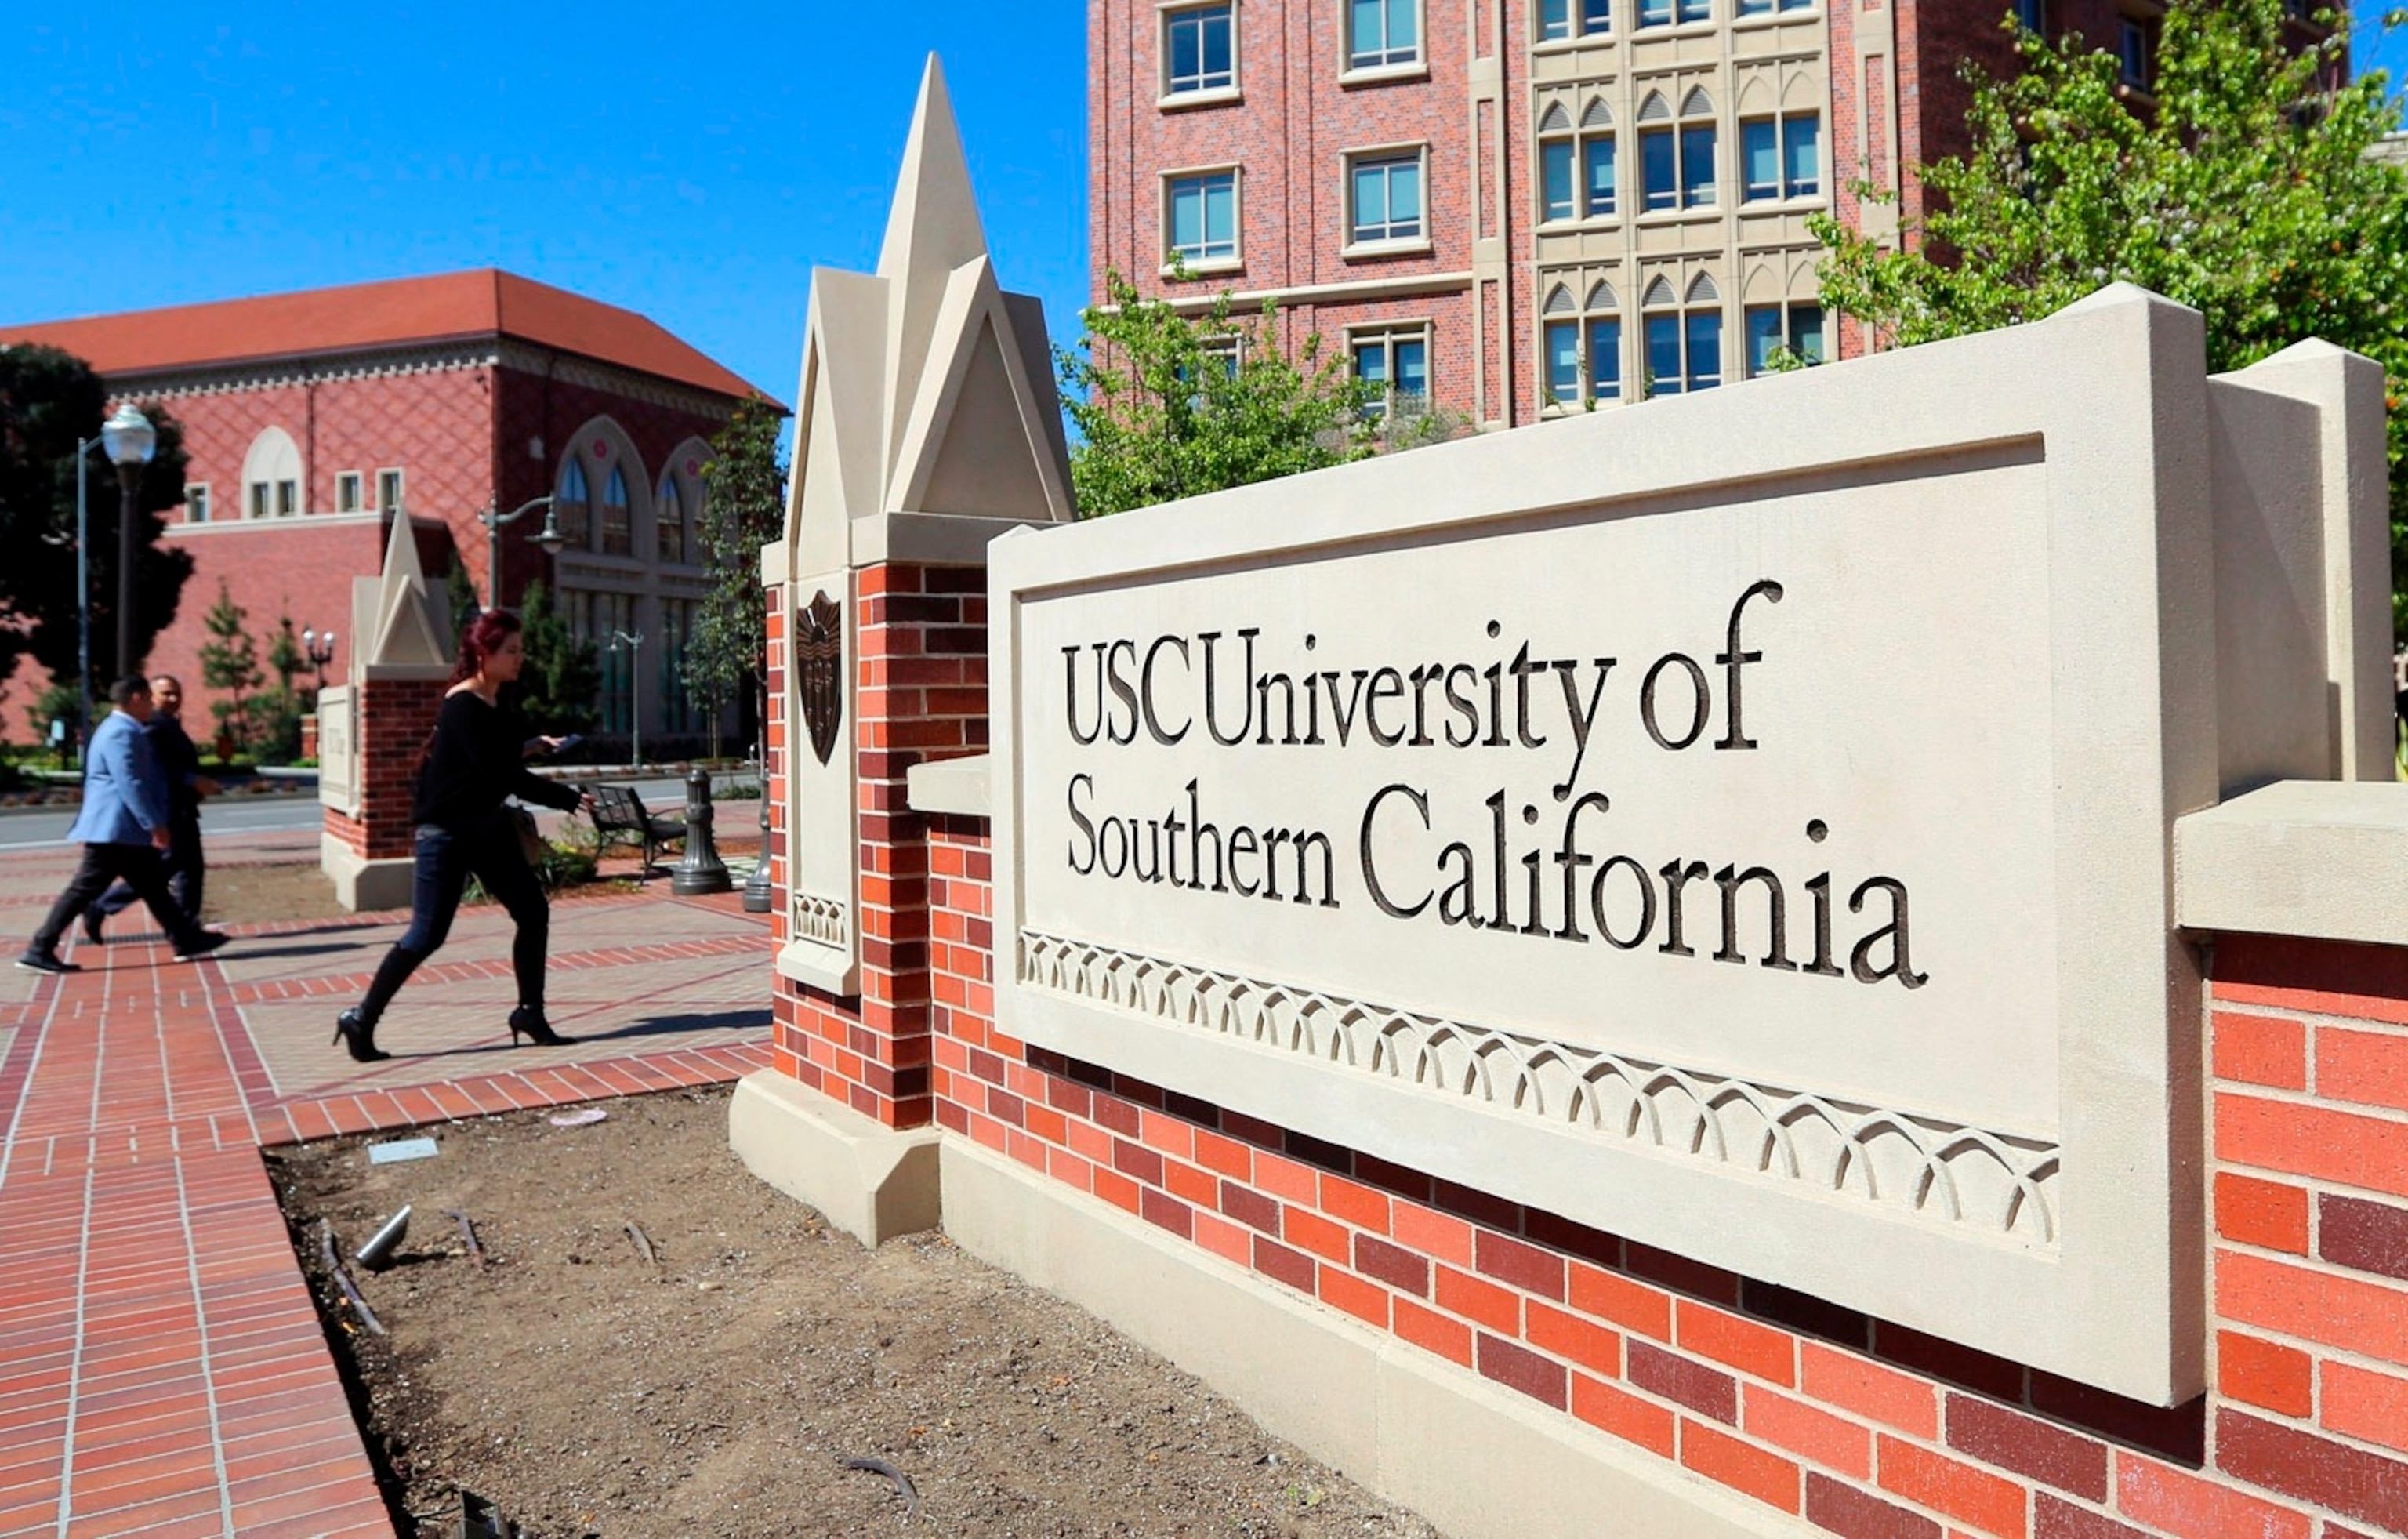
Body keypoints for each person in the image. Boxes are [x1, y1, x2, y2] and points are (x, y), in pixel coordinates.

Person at [334, 610, 590, 1062]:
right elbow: (500, 773)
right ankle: (360, 1018)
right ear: (482, 653)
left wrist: (532, 744)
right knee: (425, 935)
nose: (520, 659)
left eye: (521, 650)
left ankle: (530, 1012)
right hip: (447, 834)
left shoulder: (496, 701)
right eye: (511, 651)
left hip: (486, 828)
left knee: (533, 912)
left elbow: (495, 757)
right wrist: (568, 798)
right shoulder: (461, 705)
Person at [18, 677, 229, 975]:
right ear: (136, 698)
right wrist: (154, 822)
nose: (152, 707)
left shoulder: (124, 729)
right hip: (114, 828)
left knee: (154, 888)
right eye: (148, 699)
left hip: (123, 829)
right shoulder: (121, 732)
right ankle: (40, 947)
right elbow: (130, 782)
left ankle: (186, 938)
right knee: (83, 889)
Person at [85, 674, 217, 941]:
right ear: (150, 697)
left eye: (177, 693)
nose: (173, 699)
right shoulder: (152, 726)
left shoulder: (168, 723)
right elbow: (153, 770)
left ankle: (187, 929)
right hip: (167, 808)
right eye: (166, 693)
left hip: (182, 806)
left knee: (187, 869)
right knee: (165, 871)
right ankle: (103, 906)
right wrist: (191, 780)